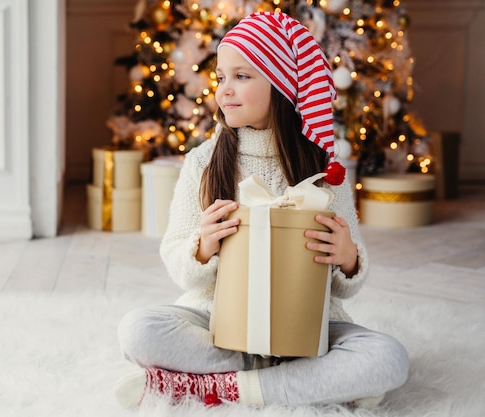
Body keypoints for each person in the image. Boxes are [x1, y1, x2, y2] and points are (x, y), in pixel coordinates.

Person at [115, 11, 409, 409]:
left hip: (306, 329)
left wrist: (349, 259)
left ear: (284, 86)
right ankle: (300, 384)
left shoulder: (325, 171)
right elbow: (175, 257)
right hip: (219, 321)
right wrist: (201, 248)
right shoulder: (203, 163)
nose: (224, 90)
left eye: (242, 76)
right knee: (138, 330)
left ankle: (219, 386)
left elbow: (347, 285)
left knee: (388, 357)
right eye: (222, 77)